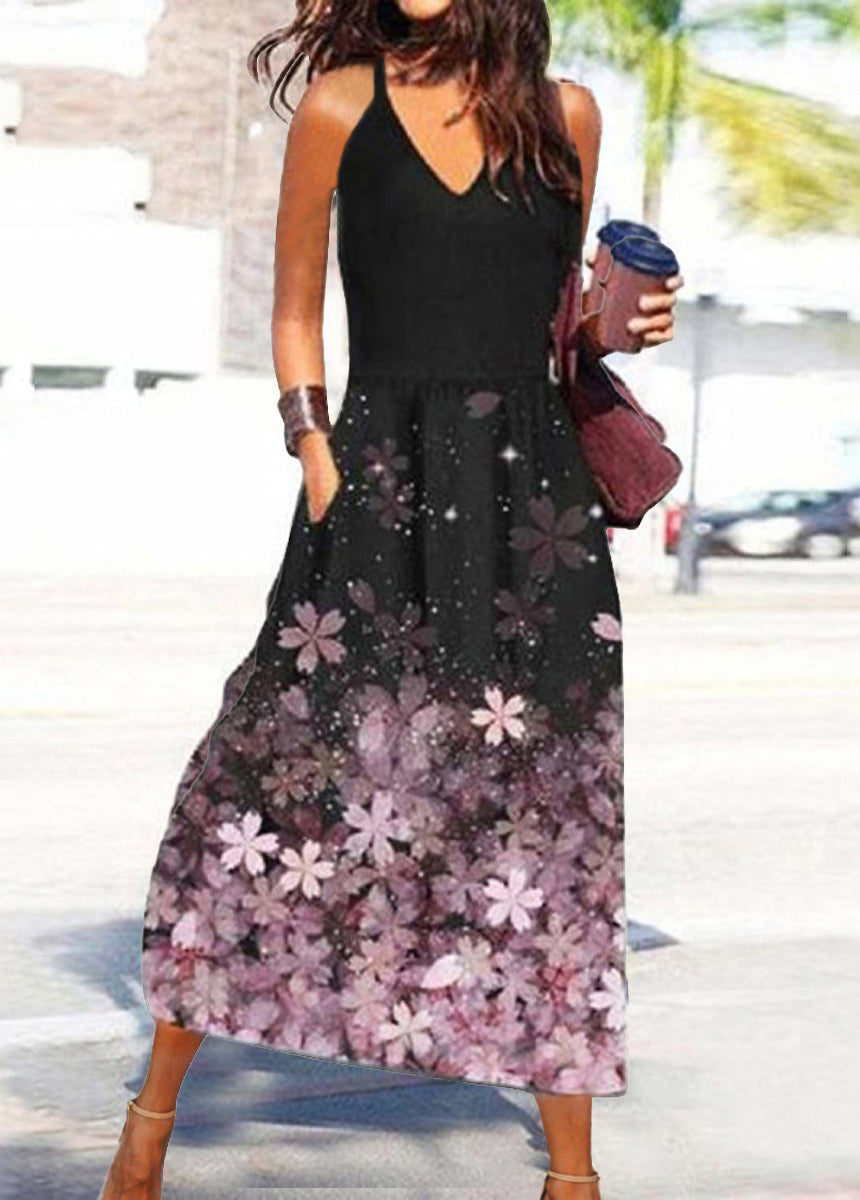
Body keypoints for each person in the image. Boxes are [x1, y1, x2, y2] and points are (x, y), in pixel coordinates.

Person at [98, 1, 682, 1197]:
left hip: (533, 515)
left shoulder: (565, 117)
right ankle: (149, 1121)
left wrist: (618, 323)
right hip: (376, 483)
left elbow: (552, 327)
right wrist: (316, 456)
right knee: (272, 787)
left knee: (543, 820)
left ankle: (571, 1174)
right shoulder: (339, 105)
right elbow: (294, 310)